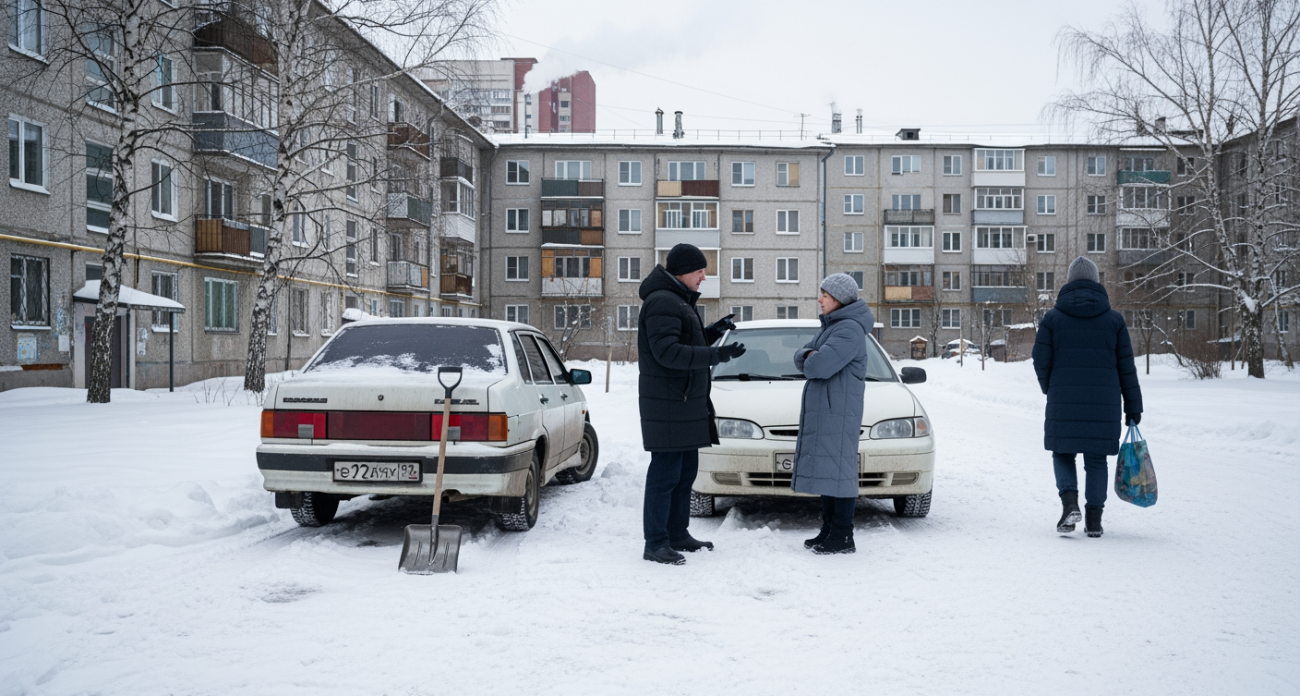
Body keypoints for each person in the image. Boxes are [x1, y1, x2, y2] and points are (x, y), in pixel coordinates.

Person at [637, 243, 746, 565]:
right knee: (665, 475)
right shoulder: (662, 302)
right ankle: (656, 542)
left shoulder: (677, 301)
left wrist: (712, 332)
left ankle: (677, 533)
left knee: (685, 472)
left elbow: (683, 342)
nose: (704, 277)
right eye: (700, 271)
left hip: (683, 402)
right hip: (669, 403)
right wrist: (717, 355)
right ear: (683, 271)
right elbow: (667, 353)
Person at [1032, 256, 1143, 538]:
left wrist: (1051, 388)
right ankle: (1094, 520)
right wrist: (1133, 406)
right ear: (1096, 282)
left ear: (1069, 281)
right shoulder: (1114, 320)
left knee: (1063, 452)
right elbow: (1126, 367)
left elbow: (1040, 360)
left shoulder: (1052, 319)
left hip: (1063, 399)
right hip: (1103, 405)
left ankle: (1070, 504)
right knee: (1096, 460)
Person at [791, 273, 874, 555]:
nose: (819, 299)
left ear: (838, 299)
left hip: (838, 412)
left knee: (840, 472)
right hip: (829, 409)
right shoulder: (833, 326)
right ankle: (828, 530)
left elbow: (817, 366)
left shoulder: (847, 329)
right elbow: (802, 354)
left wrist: (808, 357)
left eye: (824, 295)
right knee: (830, 471)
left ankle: (842, 535)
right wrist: (807, 355)